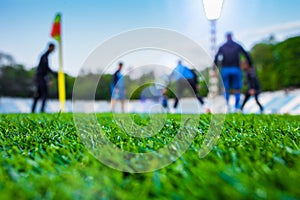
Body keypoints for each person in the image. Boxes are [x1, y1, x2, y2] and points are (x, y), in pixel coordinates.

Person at [214, 32, 253, 112]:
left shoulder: (223, 46)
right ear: (232, 37)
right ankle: (236, 107)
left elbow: (216, 57)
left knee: (226, 88)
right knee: (237, 88)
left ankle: (227, 105)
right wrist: (250, 65)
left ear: (226, 37)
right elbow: (246, 54)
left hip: (225, 69)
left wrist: (215, 69)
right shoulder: (237, 45)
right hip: (235, 68)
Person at [31, 43, 57, 113]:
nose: (54, 50)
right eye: (53, 48)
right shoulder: (44, 56)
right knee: (44, 93)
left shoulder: (46, 56)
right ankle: (41, 110)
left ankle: (34, 110)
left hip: (42, 77)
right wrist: (53, 75)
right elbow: (45, 69)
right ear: (50, 47)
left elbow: (46, 70)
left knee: (39, 94)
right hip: (40, 77)